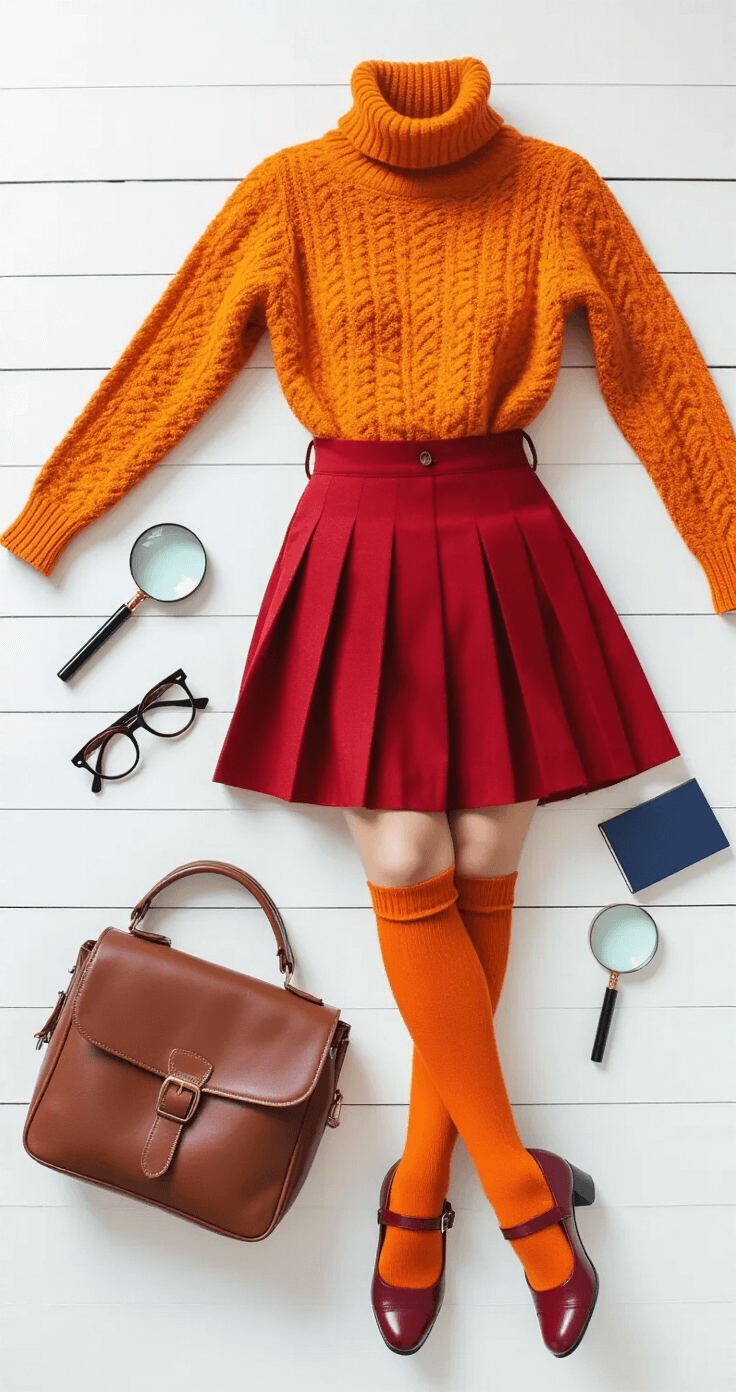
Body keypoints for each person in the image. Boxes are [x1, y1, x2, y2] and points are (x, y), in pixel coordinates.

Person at [3, 55, 735, 1359]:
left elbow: (651, 361)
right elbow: (185, 345)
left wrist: (723, 540)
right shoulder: (293, 190)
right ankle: (520, 1198)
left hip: (508, 533)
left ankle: (414, 1191)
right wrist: (61, 510)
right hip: (357, 530)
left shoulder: (554, 187)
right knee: (409, 852)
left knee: (485, 851)